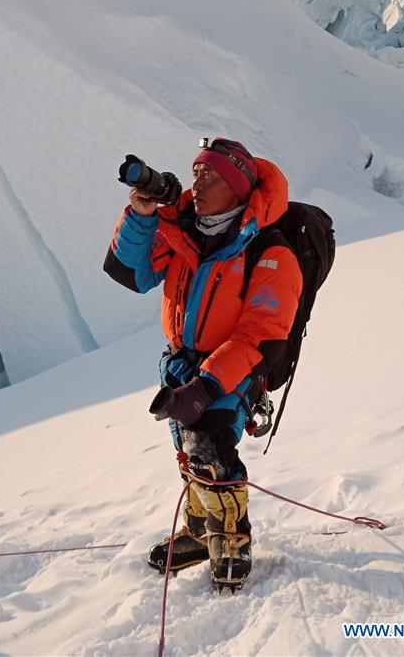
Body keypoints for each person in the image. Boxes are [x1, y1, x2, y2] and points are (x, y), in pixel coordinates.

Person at [104, 138, 302, 592]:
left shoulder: (270, 250)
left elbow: (262, 335)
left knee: (212, 451)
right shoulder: (184, 232)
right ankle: (198, 531)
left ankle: (232, 541)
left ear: (237, 187)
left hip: (234, 367)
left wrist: (207, 386)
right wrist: (142, 215)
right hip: (180, 361)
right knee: (188, 449)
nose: (197, 180)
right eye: (195, 171)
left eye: (209, 174)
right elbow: (129, 273)